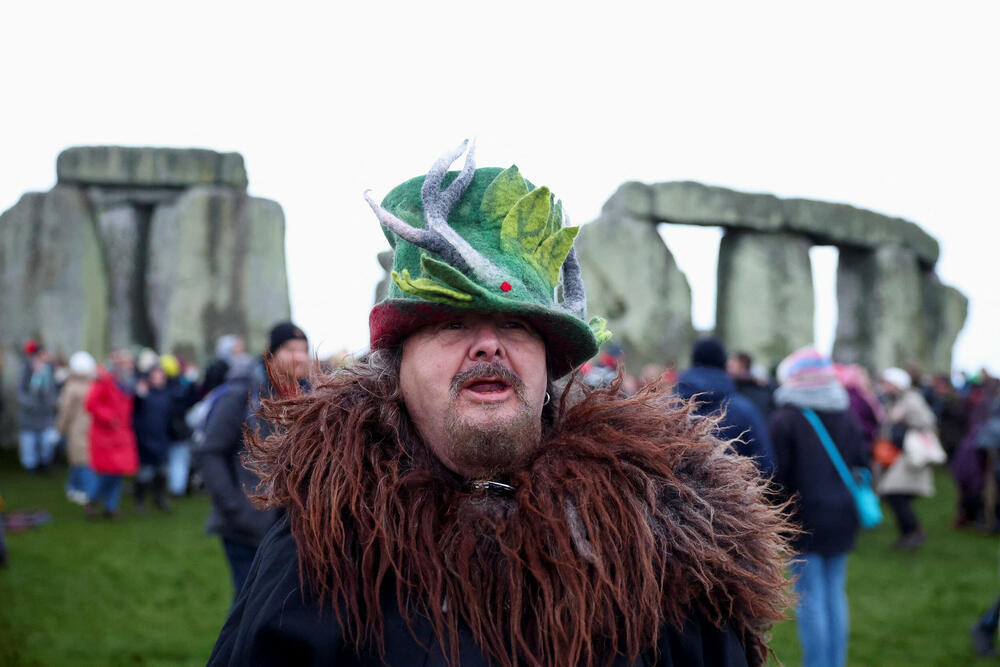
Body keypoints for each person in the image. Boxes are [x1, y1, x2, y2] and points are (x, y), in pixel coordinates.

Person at [208, 143, 791, 666]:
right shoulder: (322, 546)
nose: (487, 343)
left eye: (515, 322)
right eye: (452, 322)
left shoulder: (661, 538)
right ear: (397, 366)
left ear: (550, 363)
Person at [196, 322, 310, 597]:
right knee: (248, 608)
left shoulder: (312, 397)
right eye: (290, 349)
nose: (299, 357)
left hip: (293, 528)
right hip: (247, 526)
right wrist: (236, 509)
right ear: (270, 355)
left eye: (304, 350)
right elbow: (210, 452)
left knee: (283, 608)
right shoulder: (242, 394)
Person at [769, 347, 867, 667]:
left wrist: (774, 517)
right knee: (834, 594)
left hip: (804, 517)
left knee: (811, 599)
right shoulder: (847, 414)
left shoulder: (786, 417)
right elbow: (860, 463)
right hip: (843, 514)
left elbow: (777, 477)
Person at [676, 338, 776, 475]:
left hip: (673, 495)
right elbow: (766, 465)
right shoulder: (744, 409)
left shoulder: (666, 408)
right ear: (723, 362)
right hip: (734, 493)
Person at [876, 367, 939, 550]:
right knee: (895, 493)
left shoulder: (911, 400)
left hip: (911, 455)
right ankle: (908, 533)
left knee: (894, 491)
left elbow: (928, 421)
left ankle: (914, 532)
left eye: (887, 383)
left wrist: (904, 419)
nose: (884, 386)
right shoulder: (897, 400)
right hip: (901, 454)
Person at [85, 350, 139, 519]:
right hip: (106, 433)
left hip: (121, 433)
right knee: (109, 472)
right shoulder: (105, 379)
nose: (128, 366)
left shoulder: (127, 383)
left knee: (118, 472)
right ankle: (93, 500)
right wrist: (110, 418)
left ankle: (110, 507)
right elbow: (91, 403)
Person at [56, 351, 99, 504]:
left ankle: (76, 487)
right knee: (83, 461)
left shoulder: (72, 386)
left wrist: (59, 429)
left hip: (79, 429)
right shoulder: (92, 384)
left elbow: (64, 410)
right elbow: (66, 411)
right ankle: (87, 491)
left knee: (80, 459)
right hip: (85, 428)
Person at [132, 361, 173, 513]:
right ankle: (140, 501)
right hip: (145, 440)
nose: (158, 379)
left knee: (162, 472)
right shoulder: (143, 396)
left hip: (161, 439)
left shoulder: (166, 395)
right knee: (144, 474)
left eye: (161, 376)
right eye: (155, 376)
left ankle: (159, 498)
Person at [16, 340, 60, 473]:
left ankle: (45, 462)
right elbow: (20, 390)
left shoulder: (51, 369)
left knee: (47, 440)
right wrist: (28, 402)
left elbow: (56, 388)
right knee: (29, 442)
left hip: (46, 413)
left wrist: (54, 402)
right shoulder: (26, 370)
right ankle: (31, 465)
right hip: (30, 414)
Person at [728, 350, 775, 420]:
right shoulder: (763, 387)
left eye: (731, 366)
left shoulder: (737, 389)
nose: (727, 368)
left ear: (742, 365)